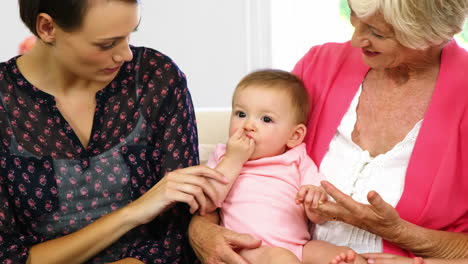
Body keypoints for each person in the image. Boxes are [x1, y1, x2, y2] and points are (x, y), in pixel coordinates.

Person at [188, 0, 468, 263]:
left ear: (434, 34)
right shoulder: (319, 66)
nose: (357, 39)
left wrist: (399, 233)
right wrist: (202, 232)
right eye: (355, 18)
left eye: (377, 33)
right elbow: (245, 173)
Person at [0, 1, 227, 263]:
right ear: (47, 28)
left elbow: (179, 232)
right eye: (107, 44)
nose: (126, 55)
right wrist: (134, 212)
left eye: (131, 35)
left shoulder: (154, 78)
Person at [201, 69, 370, 264]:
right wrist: (234, 160)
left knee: (344, 255)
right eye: (241, 114)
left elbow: (319, 214)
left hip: (298, 247)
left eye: (266, 119)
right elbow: (207, 203)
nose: (248, 125)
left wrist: (314, 203)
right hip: (248, 250)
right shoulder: (224, 155)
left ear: (294, 136)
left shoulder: (297, 159)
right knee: (282, 258)